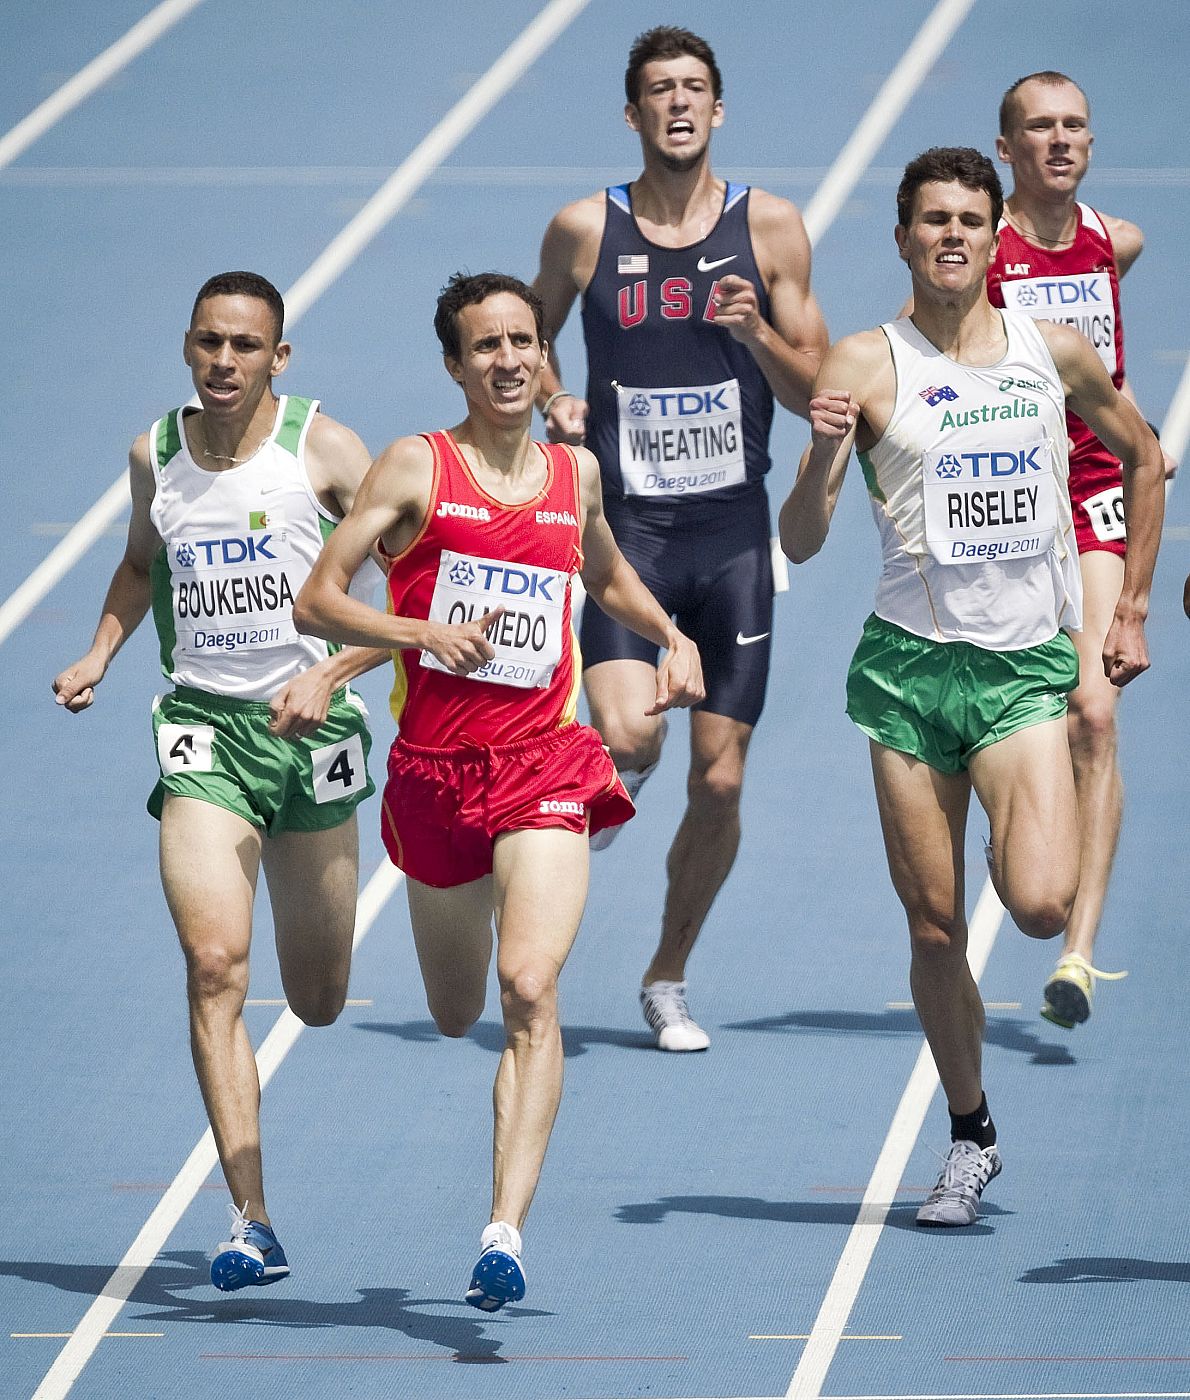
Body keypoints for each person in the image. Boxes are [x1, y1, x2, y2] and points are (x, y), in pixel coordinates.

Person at [293, 271, 704, 1309]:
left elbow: (599, 571)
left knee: (528, 985)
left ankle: (503, 1229)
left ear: (543, 354)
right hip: (434, 777)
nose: (509, 359)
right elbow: (318, 597)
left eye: (523, 340)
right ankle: (460, 985)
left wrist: (666, 632)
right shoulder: (414, 467)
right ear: (453, 363)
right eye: (486, 346)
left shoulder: (575, 472)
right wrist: (415, 632)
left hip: (544, 762)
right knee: (453, 1005)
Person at [779, 148, 1164, 1226]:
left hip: (1019, 671)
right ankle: (969, 1134)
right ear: (902, 238)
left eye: (967, 219)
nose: (950, 234)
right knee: (934, 925)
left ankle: (1042, 873)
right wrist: (818, 461)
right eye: (930, 219)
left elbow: (1142, 458)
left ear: (996, 237)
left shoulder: (1052, 351)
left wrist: (1127, 603)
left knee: (1035, 900)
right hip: (904, 673)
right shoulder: (861, 362)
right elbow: (799, 543)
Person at [53, 272, 390, 1290]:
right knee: (212, 962)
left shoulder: (324, 450)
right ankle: (250, 1217)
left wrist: (327, 668)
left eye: (247, 345)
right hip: (202, 727)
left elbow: (413, 589)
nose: (226, 362)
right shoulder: (154, 451)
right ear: (188, 349)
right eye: (210, 343)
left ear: (278, 358)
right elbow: (138, 566)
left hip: (314, 731)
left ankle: (314, 995)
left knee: (319, 994)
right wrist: (100, 653)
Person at [531, 25, 828, 1051]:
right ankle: (616, 773)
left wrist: (752, 333)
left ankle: (666, 973)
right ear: (631, 113)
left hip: (734, 537)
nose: (677, 104)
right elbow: (518, 341)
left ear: (718, 108)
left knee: (721, 778)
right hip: (628, 533)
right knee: (626, 734)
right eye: (657, 90)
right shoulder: (583, 227)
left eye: (693, 87)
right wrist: (557, 404)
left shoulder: (772, 227)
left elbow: (818, 395)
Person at [989, 70, 1176, 1028]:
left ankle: (1079, 953)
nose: (1059, 141)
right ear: (1007, 147)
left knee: (1095, 716)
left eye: (1075, 126)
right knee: (1028, 713)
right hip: (1011, 507)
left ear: (1091, 144)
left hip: (1097, 492)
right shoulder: (984, 254)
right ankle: (1012, 831)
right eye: (1039, 128)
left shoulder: (1114, 241)